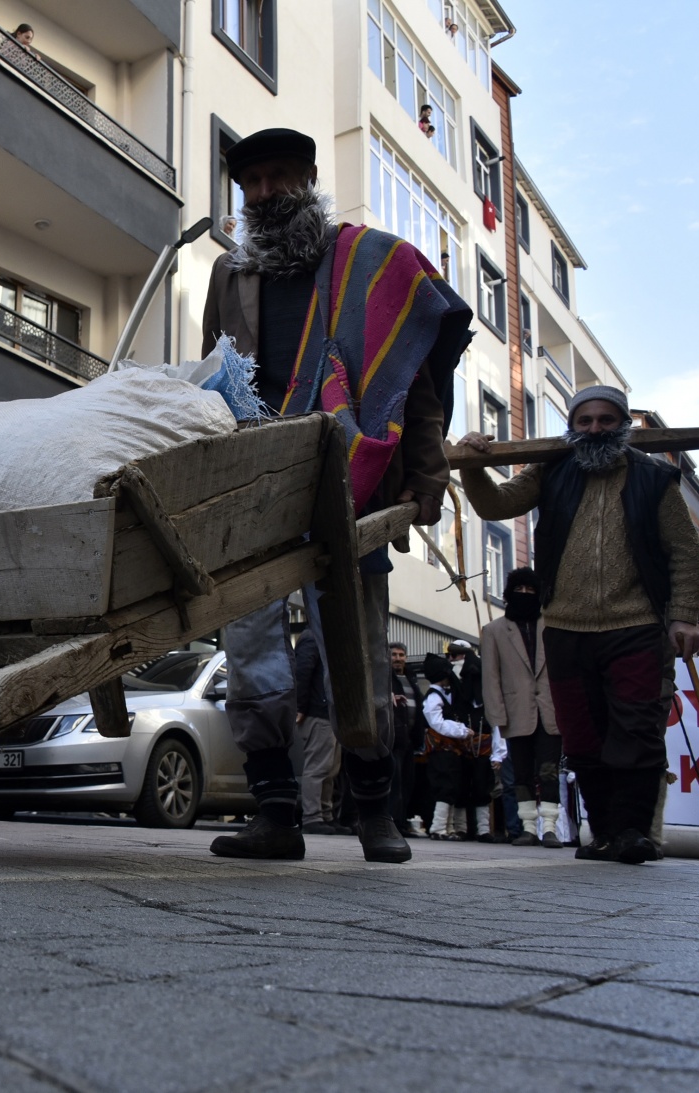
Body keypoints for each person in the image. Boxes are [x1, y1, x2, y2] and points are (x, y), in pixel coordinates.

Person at [201, 127, 474, 865]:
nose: (264, 194)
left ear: (309, 180)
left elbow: (408, 382)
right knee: (251, 649)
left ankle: (374, 812)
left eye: (279, 179)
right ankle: (275, 812)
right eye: (252, 183)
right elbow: (211, 382)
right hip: (254, 485)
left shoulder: (364, 261)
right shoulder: (229, 275)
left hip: (348, 478)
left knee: (356, 651)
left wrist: (428, 476)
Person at [456, 385, 699, 864]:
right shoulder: (551, 468)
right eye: (584, 420)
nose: (593, 429)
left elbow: (686, 555)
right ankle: (606, 833)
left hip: (635, 624)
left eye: (605, 420)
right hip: (566, 629)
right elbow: (496, 505)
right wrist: (471, 463)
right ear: (572, 424)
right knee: (584, 736)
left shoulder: (655, 478)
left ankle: (633, 832)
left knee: (635, 731)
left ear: (623, 424)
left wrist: (684, 617)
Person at [481, 568, 564, 847]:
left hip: (551, 710)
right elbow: (491, 675)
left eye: (531, 591)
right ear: (508, 594)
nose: (525, 596)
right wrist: (497, 714)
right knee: (522, 773)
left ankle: (550, 826)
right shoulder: (493, 631)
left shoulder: (552, 624)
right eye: (520, 591)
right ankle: (528, 827)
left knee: (550, 770)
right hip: (516, 711)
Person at [421, 653, 502, 839]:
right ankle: (439, 828)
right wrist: (462, 730)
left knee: (456, 787)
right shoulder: (434, 697)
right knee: (446, 787)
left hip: (458, 751)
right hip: (443, 749)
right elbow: (436, 722)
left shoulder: (454, 698)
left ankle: (450, 828)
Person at [290, 630, 345, 835]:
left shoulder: (323, 637)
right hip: (318, 711)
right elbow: (302, 671)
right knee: (319, 767)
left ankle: (324, 815)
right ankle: (313, 816)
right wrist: (301, 707)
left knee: (329, 769)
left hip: (328, 712)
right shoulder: (314, 637)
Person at [387, 642, 425, 837]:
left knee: (406, 784)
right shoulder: (386, 679)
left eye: (401, 655)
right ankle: (393, 825)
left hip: (409, 740)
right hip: (394, 739)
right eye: (394, 655)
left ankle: (401, 824)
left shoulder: (411, 679)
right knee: (395, 784)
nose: (398, 658)